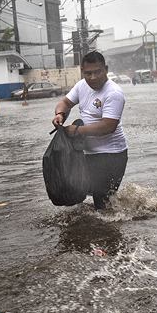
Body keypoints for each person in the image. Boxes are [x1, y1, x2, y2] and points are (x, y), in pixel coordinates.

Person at [52, 51, 128, 210]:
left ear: (106, 69)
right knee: (80, 195)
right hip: (86, 153)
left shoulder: (113, 93)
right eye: (88, 73)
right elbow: (64, 103)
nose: (93, 77)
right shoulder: (82, 86)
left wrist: (78, 131)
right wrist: (60, 114)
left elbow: (109, 126)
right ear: (82, 72)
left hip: (111, 155)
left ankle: (109, 231)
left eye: (97, 72)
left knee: (102, 203)